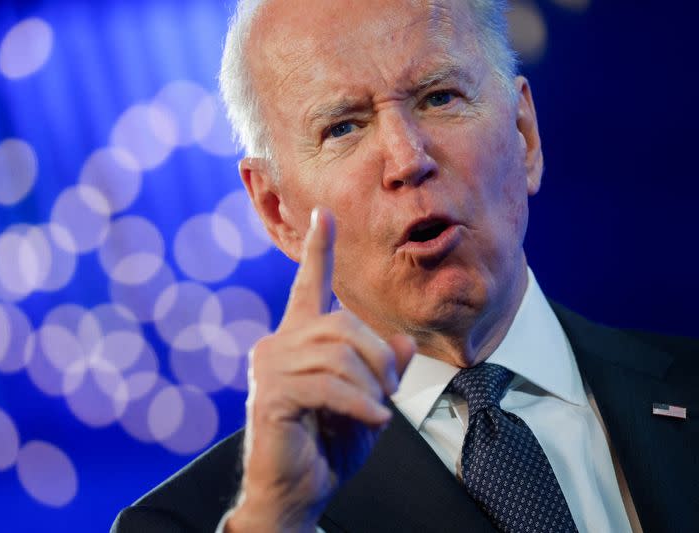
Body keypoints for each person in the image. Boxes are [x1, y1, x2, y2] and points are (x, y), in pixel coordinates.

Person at [112, 0, 699, 531]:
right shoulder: (192, 523)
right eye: (342, 127)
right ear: (276, 210)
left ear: (524, 135)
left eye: (439, 97)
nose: (406, 158)